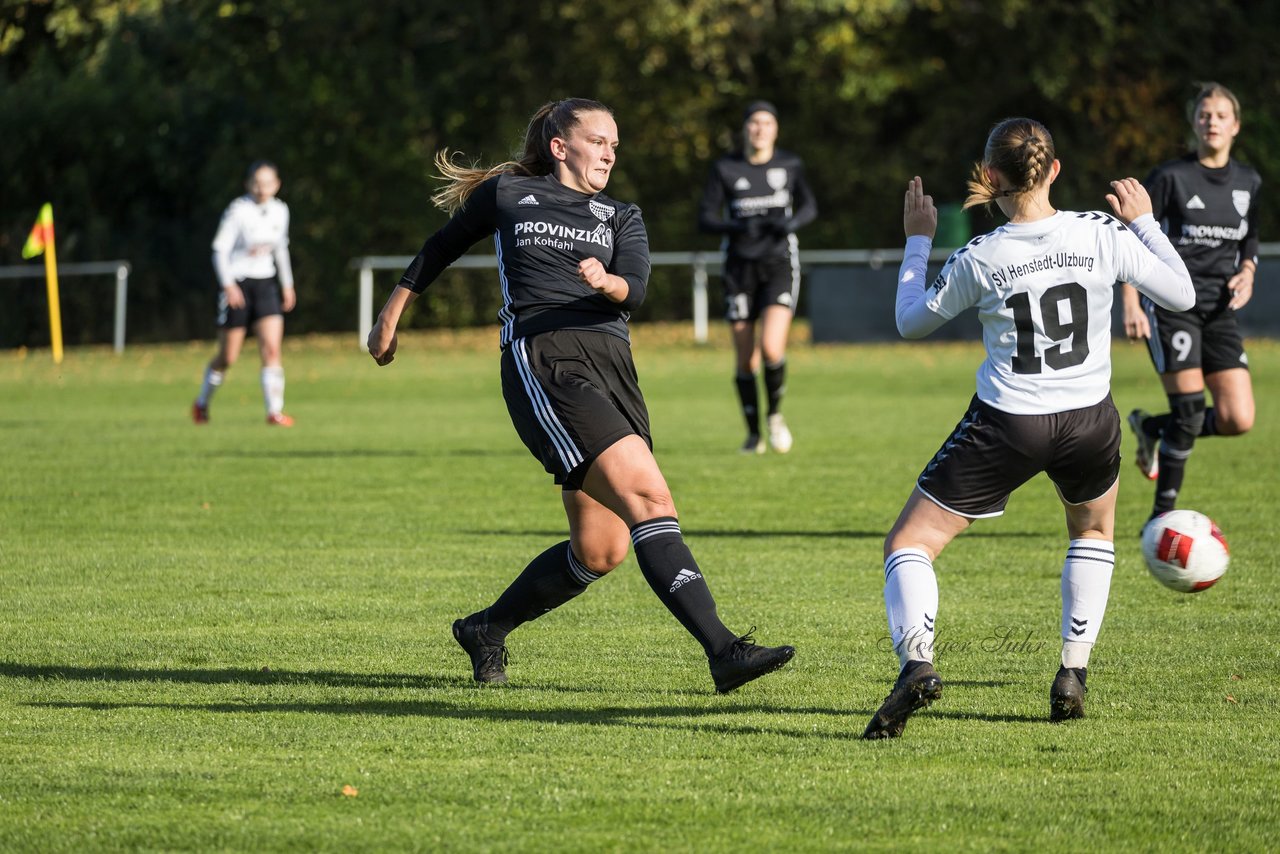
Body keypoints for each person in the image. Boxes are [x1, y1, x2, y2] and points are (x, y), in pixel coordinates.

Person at [367, 98, 795, 692]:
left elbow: (634, 289)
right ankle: (724, 651)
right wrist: (390, 315)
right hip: (546, 361)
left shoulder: (620, 215)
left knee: (599, 550)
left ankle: (486, 629)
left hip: (614, 368)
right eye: (598, 141)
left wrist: (607, 280)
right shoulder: (509, 195)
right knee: (650, 497)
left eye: (615, 145)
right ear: (559, 147)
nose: (610, 153)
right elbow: (441, 246)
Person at [862, 118, 1195, 740]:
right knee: (1092, 531)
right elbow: (1181, 293)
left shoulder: (981, 255)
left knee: (909, 544)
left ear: (990, 177)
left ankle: (917, 663)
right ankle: (1072, 672)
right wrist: (1145, 222)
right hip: (1090, 419)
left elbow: (910, 321)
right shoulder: (1101, 233)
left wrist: (917, 241)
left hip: (1009, 422)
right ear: (1055, 169)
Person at [1121, 82, 1260, 522]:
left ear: (1235, 125)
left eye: (1220, 115)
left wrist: (1248, 271)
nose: (1211, 121)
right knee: (1189, 412)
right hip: (1171, 305)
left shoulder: (1249, 181)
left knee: (1238, 418)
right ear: (1194, 124)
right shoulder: (1170, 177)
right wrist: (1130, 300)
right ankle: (1161, 520)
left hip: (1220, 310)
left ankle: (1151, 427)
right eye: (1204, 115)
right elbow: (1131, 237)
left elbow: (1250, 239)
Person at [698, 100, 817, 454]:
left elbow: (810, 207)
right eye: (754, 123)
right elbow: (706, 217)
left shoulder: (790, 164)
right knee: (745, 358)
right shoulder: (726, 167)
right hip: (739, 268)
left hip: (778, 264)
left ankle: (775, 415)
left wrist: (790, 224)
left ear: (775, 129)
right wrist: (735, 227)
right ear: (745, 129)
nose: (760, 129)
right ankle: (753, 435)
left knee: (771, 348)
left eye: (767, 123)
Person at [193, 160, 297, 426]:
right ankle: (202, 403)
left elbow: (281, 248)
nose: (262, 188)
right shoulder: (238, 211)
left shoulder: (280, 210)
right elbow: (219, 250)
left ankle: (274, 412)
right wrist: (228, 285)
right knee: (228, 357)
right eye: (256, 183)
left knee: (272, 349)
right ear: (248, 184)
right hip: (238, 285)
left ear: (277, 185)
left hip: (265, 285)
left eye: (267, 183)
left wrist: (287, 284)